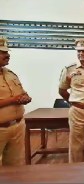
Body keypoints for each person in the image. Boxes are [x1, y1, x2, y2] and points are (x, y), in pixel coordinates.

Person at [0, 38, 32, 166]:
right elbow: (14, 98)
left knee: (14, 166)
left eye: (7, 52)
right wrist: (13, 100)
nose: (7, 55)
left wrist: (25, 97)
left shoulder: (10, 74)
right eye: (2, 52)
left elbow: (21, 92)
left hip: (17, 127)